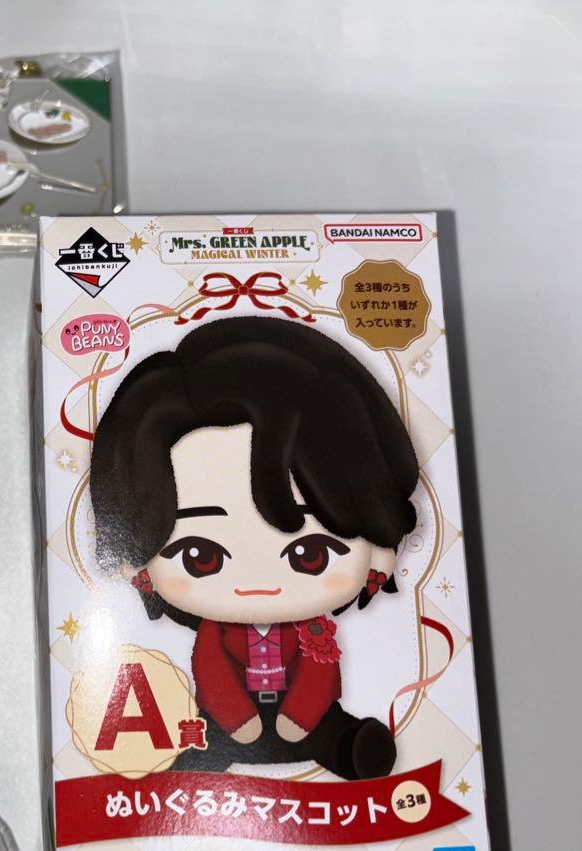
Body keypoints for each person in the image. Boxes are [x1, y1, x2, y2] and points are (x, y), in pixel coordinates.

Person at [90, 316, 418, 780]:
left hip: (307, 717)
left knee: (330, 731)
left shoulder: (314, 631)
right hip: (231, 720)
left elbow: (320, 672)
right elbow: (212, 671)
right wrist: (237, 718)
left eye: (310, 555)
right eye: (201, 557)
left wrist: (299, 717)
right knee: (205, 740)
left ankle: (348, 748)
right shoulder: (216, 634)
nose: (257, 585)